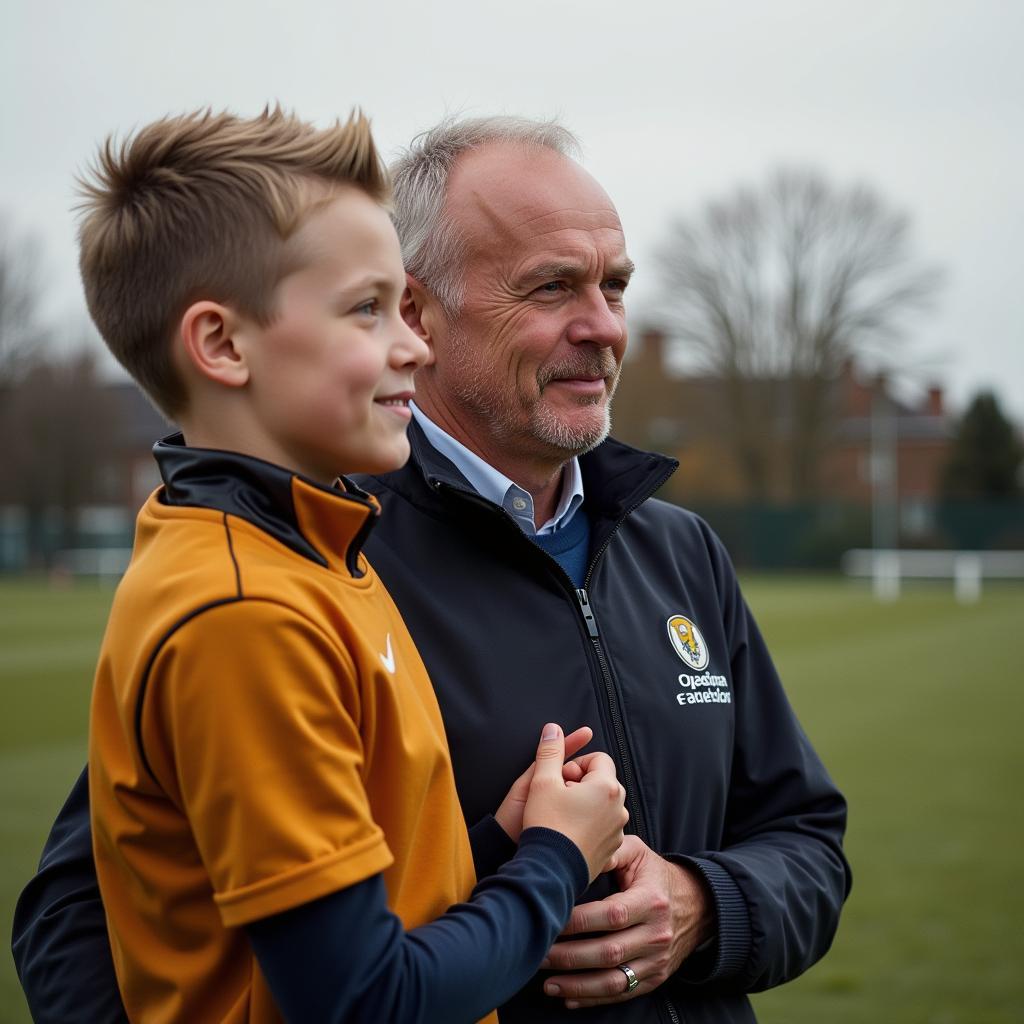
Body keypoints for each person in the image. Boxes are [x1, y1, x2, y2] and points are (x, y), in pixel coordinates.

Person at [13, 115, 851, 1024]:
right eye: (552, 287)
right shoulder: (318, 558)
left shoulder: (680, 551)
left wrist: (702, 908)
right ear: (421, 311)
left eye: (615, 285)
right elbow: (80, 915)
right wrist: (549, 862)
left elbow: (806, 841)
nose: (604, 326)